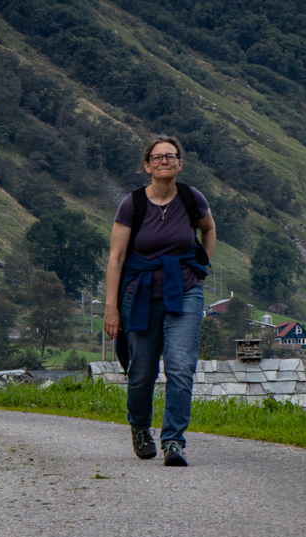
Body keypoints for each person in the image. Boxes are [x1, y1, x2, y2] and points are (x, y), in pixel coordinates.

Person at [103, 135, 216, 467]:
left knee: (181, 367)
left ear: (180, 164)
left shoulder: (192, 199)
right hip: (139, 295)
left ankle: (174, 442)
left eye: (171, 156)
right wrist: (111, 308)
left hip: (184, 291)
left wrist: (202, 269)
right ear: (147, 165)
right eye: (157, 157)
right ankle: (140, 429)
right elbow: (116, 258)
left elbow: (208, 229)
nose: (164, 161)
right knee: (142, 372)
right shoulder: (132, 204)